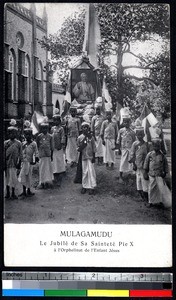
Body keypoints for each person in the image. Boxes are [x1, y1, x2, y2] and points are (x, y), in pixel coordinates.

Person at [143, 137, 171, 208]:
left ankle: (160, 201)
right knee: (151, 188)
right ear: (152, 146)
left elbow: (165, 165)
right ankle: (151, 202)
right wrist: (145, 172)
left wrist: (165, 172)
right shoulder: (149, 155)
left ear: (160, 146)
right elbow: (146, 164)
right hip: (152, 174)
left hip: (159, 175)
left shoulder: (162, 156)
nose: (156, 147)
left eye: (158, 146)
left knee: (160, 188)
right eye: (155, 146)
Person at [18, 122, 39, 197]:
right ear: (24, 135)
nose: (28, 136)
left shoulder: (34, 143)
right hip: (24, 163)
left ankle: (29, 190)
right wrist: (20, 161)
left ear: (32, 135)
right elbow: (21, 153)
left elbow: (36, 152)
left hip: (30, 163)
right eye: (26, 134)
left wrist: (36, 158)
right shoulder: (22, 144)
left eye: (29, 134)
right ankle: (24, 191)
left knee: (29, 176)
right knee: (23, 175)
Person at [129, 126, 149, 201]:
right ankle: (142, 196)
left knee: (145, 182)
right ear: (136, 135)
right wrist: (133, 164)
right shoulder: (135, 144)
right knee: (138, 182)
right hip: (137, 166)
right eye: (138, 135)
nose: (139, 136)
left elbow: (147, 156)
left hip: (144, 167)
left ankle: (146, 198)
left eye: (141, 134)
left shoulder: (146, 144)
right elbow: (132, 154)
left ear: (144, 135)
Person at [77, 122, 96, 195]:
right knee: (85, 172)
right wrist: (80, 147)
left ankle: (92, 187)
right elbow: (78, 147)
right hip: (84, 157)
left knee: (91, 172)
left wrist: (94, 157)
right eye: (83, 127)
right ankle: (84, 186)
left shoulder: (91, 137)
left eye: (86, 127)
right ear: (81, 129)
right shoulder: (80, 137)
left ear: (89, 128)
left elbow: (94, 148)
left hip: (90, 157)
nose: (85, 128)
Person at [4, 123, 23, 199]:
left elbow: (20, 154)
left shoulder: (18, 143)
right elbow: (3, 154)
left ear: (16, 134)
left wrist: (19, 163)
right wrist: (3, 164)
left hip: (14, 164)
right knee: (7, 178)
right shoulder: (5, 143)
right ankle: (8, 193)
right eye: (10, 133)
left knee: (14, 179)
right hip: (7, 164)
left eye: (13, 133)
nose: (11, 134)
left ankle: (13, 193)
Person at [116, 115, 136, 183]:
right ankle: (120, 176)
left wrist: (134, 150)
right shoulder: (121, 131)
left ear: (130, 123)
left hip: (130, 149)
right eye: (125, 122)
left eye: (127, 122)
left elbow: (134, 141)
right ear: (123, 123)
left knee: (130, 163)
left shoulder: (132, 132)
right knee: (122, 162)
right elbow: (118, 140)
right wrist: (118, 148)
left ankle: (129, 176)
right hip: (124, 149)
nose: (126, 123)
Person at [36, 119, 54, 189]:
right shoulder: (39, 136)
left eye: (46, 128)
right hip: (42, 155)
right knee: (42, 168)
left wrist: (51, 155)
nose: (44, 130)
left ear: (48, 129)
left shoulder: (50, 136)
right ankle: (42, 182)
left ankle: (47, 182)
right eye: (43, 128)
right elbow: (37, 145)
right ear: (41, 129)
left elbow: (52, 147)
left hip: (48, 155)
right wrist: (38, 154)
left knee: (48, 168)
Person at [51, 114, 66, 186]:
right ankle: (55, 172)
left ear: (60, 121)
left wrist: (62, 144)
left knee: (60, 159)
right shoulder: (52, 128)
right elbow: (51, 137)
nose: (56, 121)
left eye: (57, 120)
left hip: (59, 146)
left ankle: (60, 172)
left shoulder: (61, 129)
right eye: (54, 120)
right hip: (54, 146)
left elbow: (63, 136)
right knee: (55, 159)